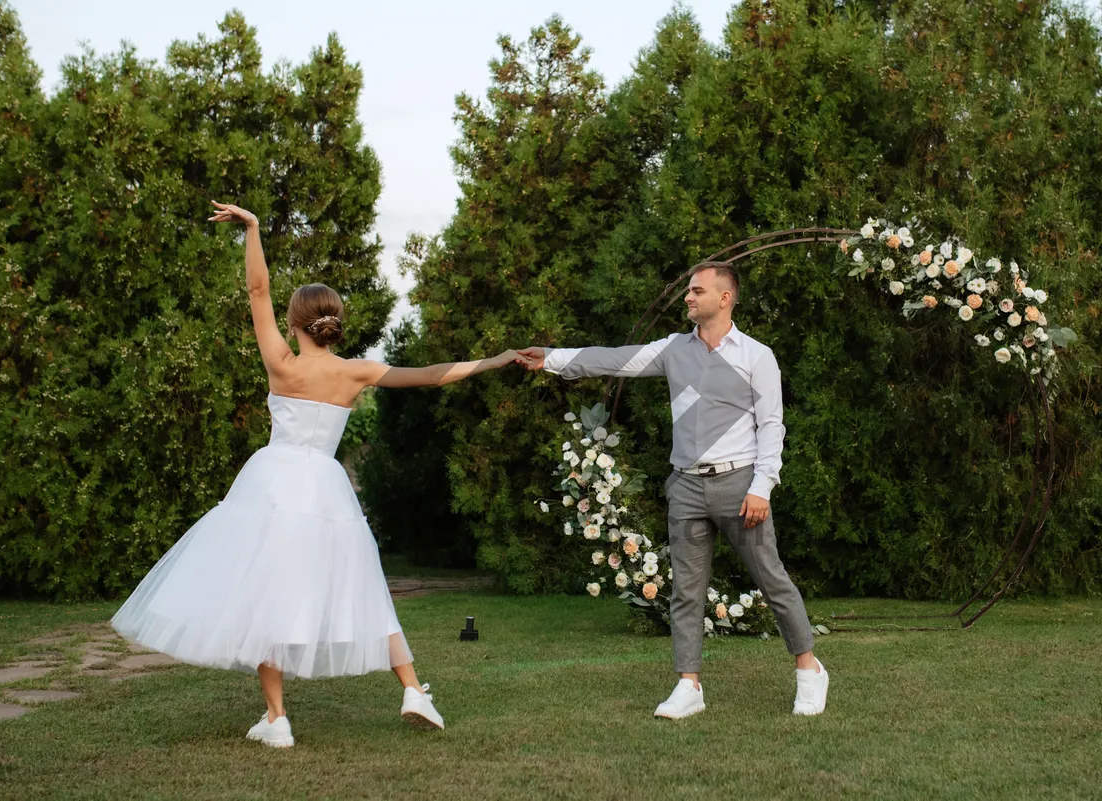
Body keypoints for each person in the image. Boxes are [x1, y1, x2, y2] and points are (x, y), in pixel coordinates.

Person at [112, 201, 528, 747]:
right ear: (334, 323)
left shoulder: (282, 364)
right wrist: (494, 360)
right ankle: (413, 691)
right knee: (362, 588)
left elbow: (256, 292)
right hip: (327, 490)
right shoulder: (355, 372)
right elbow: (430, 376)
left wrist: (254, 230)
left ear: (296, 322)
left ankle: (278, 719)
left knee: (263, 594)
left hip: (273, 484)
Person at [518, 261, 829, 719]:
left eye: (697, 290)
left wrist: (762, 487)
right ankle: (689, 686)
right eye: (689, 290)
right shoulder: (671, 350)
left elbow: (773, 426)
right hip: (685, 487)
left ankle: (809, 671)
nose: (688, 296)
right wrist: (551, 357)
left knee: (772, 580)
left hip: (740, 486)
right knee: (686, 590)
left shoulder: (756, 356)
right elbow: (614, 358)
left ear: (725, 298)